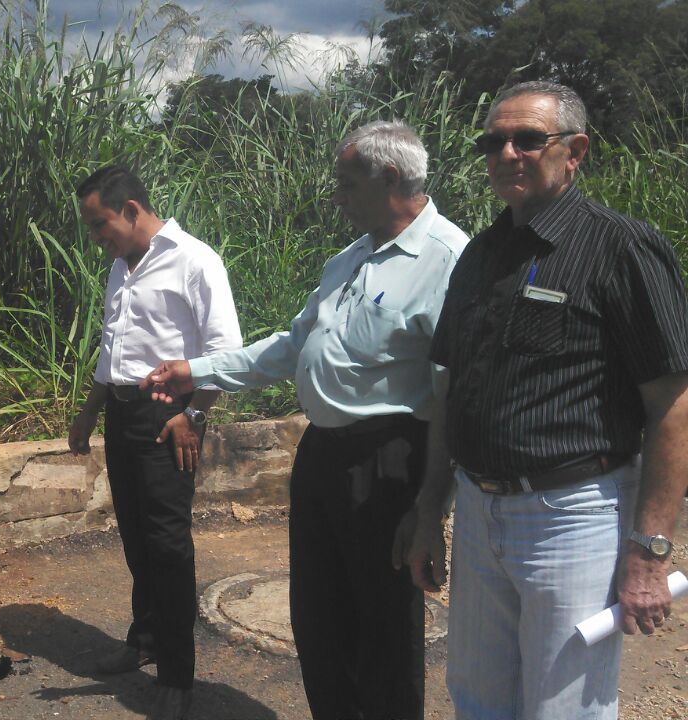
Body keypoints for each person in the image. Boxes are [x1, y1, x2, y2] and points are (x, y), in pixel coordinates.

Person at [143, 120, 469, 720]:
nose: (337, 197)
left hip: (389, 459)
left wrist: (432, 504)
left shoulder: (448, 261)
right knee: (318, 617)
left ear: (390, 177)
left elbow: (457, 395)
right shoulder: (350, 257)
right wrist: (199, 369)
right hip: (323, 455)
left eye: (347, 184)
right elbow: (292, 344)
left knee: (384, 627)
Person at [402, 81, 688, 720]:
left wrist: (650, 552)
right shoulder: (479, 254)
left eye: (528, 139)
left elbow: (673, 403)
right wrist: (430, 512)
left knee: (565, 707)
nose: (507, 153)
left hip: (571, 516)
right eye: (493, 141)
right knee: (477, 697)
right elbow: (451, 389)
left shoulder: (621, 248)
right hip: (479, 511)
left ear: (575, 150)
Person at [68, 165, 242, 720]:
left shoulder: (195, 260)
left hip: (169, 416)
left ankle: (177, 673)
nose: (98, 239)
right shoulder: (123, 266)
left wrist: (195, 414)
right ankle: (143, 639)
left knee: (168, 546)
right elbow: (110, 349)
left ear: (133, 210)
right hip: (122, 416)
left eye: (101, 225)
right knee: (137, 539)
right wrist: (89, 412)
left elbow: (225, 350)